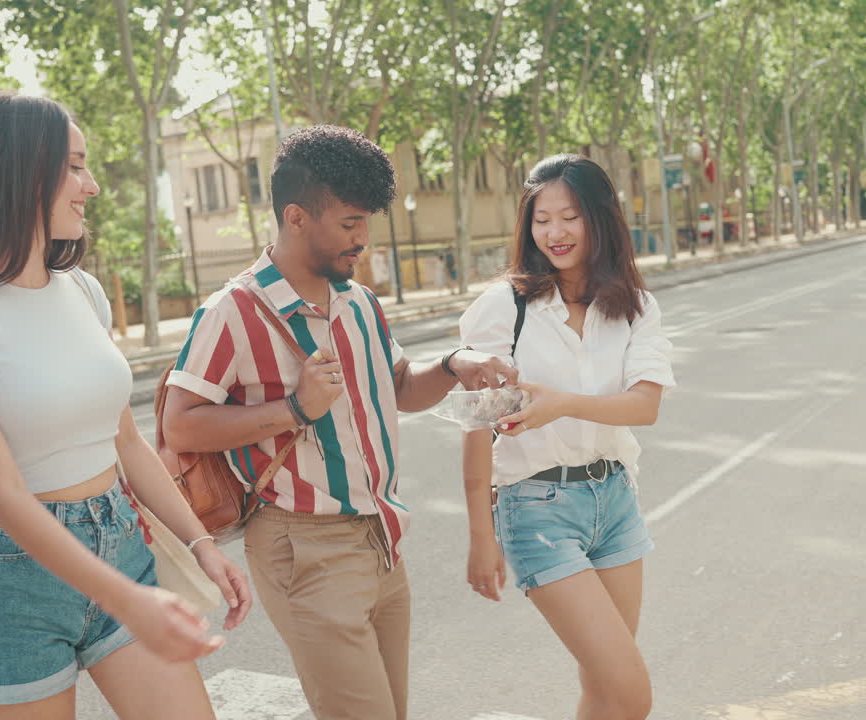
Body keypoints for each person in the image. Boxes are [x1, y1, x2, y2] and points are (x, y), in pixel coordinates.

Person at [0, 92, 251, 720]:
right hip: (17, 580)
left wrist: (201, 543)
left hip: (120, 538)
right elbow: (6, 496)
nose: (90, 186)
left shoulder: (85, 292)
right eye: (74, 166)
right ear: (20, 171)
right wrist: (126, 597)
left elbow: (126, 442)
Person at [161, 124, 515, 720]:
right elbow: (180, 426)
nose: (365, 240)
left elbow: (400, 387)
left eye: (367, 223)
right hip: (303, 546)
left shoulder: (359, 303)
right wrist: (294, 410)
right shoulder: (232, 313)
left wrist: (457, 365)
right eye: (350, 224)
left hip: (381, 539)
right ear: (296, 217)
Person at [458, 154, 675, 720]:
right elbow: (479, 426)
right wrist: (481, 534)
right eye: (541, 219)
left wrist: (561, 406)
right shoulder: (504, 306)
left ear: (600, 219)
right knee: (631, 693)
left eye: (570, 217)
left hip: (616, 502)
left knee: (604, 689)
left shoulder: (633, 305)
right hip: (537, 508)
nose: (553, 233)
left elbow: (645, 406)